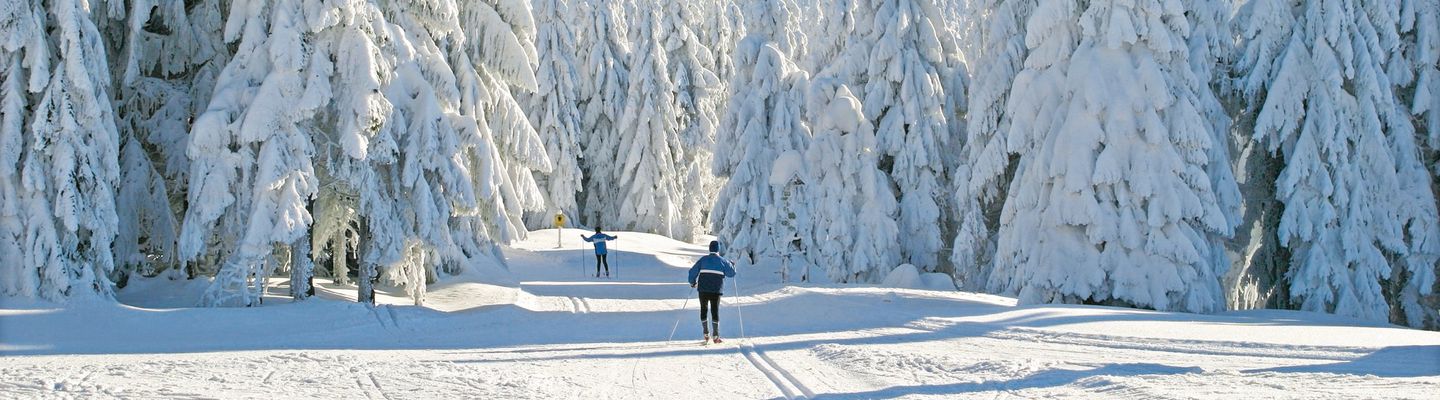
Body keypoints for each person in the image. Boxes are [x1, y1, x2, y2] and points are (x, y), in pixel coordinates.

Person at [688, 241, 736, 344]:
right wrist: (732, 265)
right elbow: (731, 273)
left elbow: (692, 271)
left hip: (703, 289)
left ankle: (706, 334)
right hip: (716, 290)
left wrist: (692, 282)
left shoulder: (703, 260)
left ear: (710, 249)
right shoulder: (723, 261)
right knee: (715, 311)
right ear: (718, 249)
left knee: (703, 309)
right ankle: (715, 336)